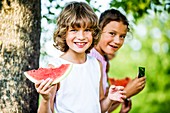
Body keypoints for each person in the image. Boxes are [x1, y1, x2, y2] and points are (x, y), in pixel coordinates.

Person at [35, 2, 127, 113]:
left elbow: (99, 108)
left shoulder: (96, 64)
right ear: (64, 33)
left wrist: (109, 99)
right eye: (74, 30)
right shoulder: (55, 66)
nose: (81, 37)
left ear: (94, 33)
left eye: (87, 30)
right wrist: (45, 99)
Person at [89, 9, 146, 113]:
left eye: (122, 36)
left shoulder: (103, 60)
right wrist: (127, 92)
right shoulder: (91, 58)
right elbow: (93, 108)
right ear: (98, 31)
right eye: (112, 33)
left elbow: (103, 106)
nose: (117, 41)